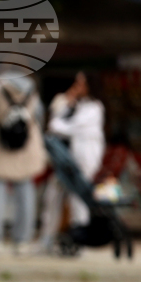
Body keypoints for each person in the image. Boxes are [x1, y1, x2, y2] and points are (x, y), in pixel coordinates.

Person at [0, 74, 47, 255]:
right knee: (26, 196)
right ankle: (22, 242)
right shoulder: (33, 91)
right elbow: (40, 117)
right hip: (26, 149)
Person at [37, 72, 105, 253]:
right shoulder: (75, 105)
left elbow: (67, 128)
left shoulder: (94, 107)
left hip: (84, 160)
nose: (77, 87)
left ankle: (79, 242)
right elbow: (54, 124)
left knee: (79, 200)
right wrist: (68, 103)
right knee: (52, 196)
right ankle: (46, 240)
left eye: (81, 83)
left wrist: (60, 124)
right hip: (66, 161)